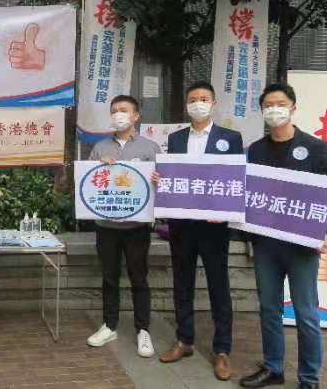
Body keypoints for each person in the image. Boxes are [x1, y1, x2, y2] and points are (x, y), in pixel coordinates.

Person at [240, 83, 327, 389]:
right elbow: (246, 191)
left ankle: (309, 378)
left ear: (293, 108)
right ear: (262, 111)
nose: (274, 110)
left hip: (302, 245)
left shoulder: (315, 147)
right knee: (269, 308)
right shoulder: (256, 149)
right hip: (266, 245)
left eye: (280, 104)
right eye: (268, 105)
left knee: (306, 312)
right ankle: (273, 367)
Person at [155, 81, 243, 382]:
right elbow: (174, 176)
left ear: (213, 103)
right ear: (186, 104)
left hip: (214, 227)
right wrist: (160, 179)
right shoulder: (176, 138)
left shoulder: (230, 138)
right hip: (182, 225)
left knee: (219, 286)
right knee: (182, 283)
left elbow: (236, 180)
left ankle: (222, 350)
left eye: (204, 99)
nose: (198, 104)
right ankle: (184, 340)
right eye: (193, 99)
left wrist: (226, 213)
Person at [86, 95, 161, 358]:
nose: (118, 114)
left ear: (136, 116)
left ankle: (143, 330)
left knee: (138, 277)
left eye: (124, 110)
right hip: (106, 225)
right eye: (114, 110)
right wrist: (98, 169)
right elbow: (88, 182)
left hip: (137, 226)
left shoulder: (150, 148)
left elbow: (163, 184)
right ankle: (110, 325)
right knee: (109, 277)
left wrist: (158, 179)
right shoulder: (99, 148)